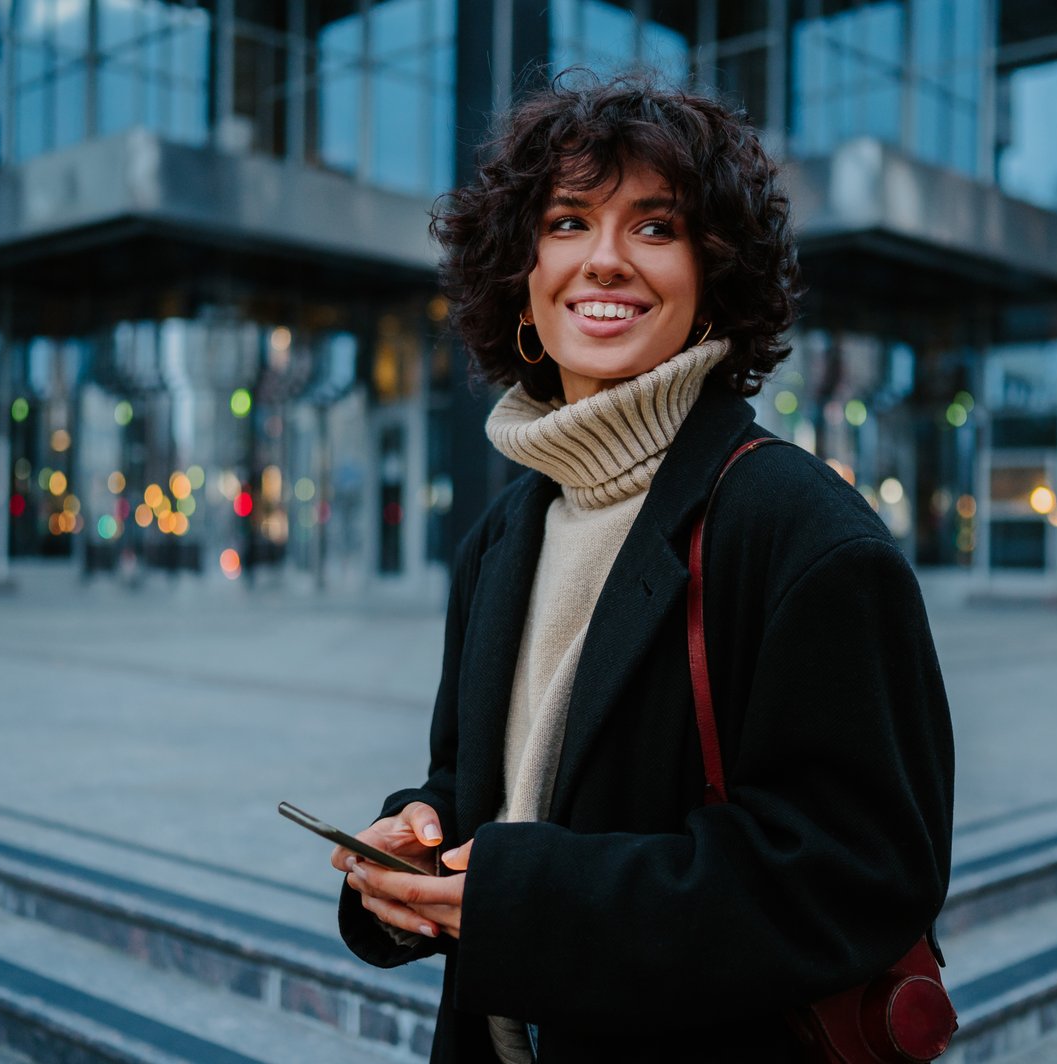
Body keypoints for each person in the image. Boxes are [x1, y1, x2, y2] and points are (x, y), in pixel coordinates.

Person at [331, 73, 954, 1064]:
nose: (605, 260)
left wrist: (524, 895)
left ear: (712, 276)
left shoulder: (802, 535)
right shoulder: (505, 532)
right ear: (524, 277)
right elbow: (487, 783)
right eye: (568, 222)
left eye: (655, 227)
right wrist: (420, 846)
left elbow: (858, 875)